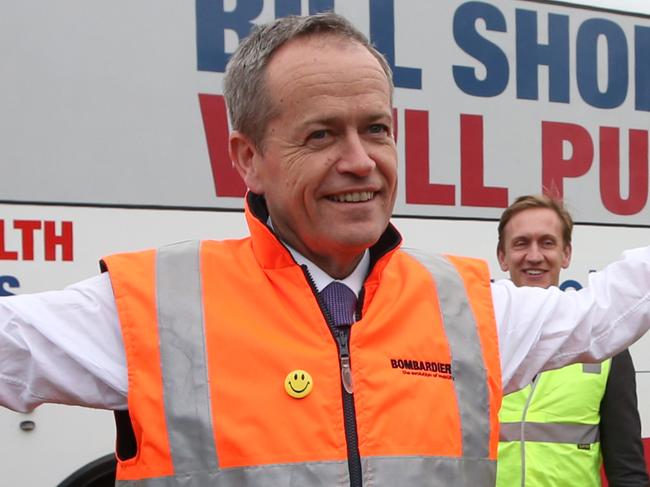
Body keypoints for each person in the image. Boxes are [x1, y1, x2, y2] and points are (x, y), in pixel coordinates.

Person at [1, 12, 650, 487]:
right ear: (247, 158)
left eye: (376, 129)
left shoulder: (466, 307)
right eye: (321, 135)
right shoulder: (156, 306)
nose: (360, 161)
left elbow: (605, 310)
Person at [495, 195, 649, 487]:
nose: (534, 255)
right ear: (502, 256)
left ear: (566, 254)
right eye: (521, 243)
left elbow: (627, 469)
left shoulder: (608, 351)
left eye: (547, 242)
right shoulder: (474, 341)